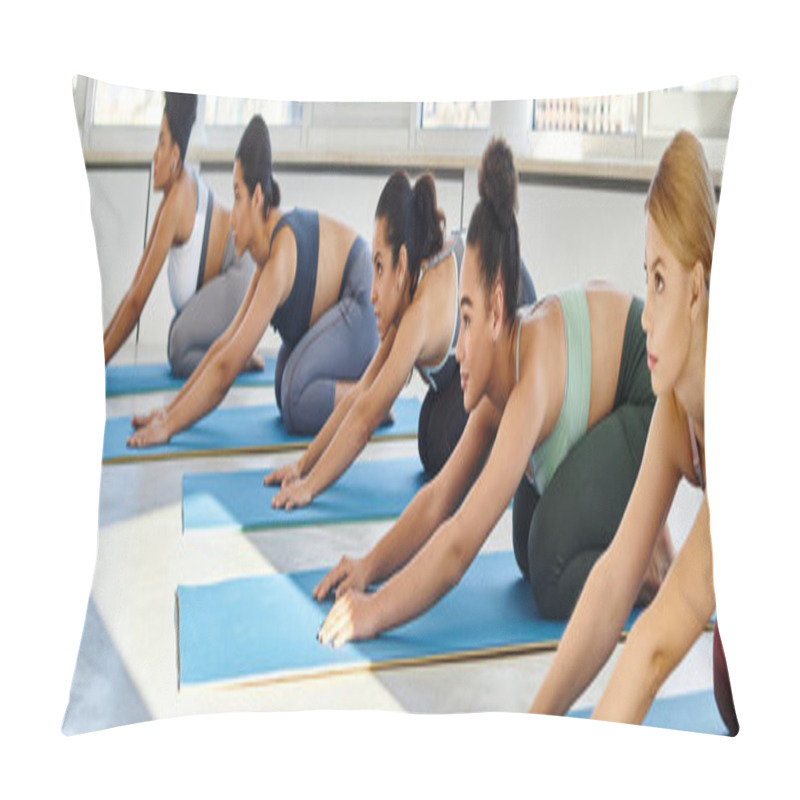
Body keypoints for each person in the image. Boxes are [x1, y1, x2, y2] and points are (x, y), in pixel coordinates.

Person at [312, 138, 673, 648]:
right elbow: (440, 499)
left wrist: (373, 614)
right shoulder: (495, 390)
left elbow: (460, 547)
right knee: (527, 551)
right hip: (602, 383)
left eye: (465, 319)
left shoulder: (527, 387)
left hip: (646, 393)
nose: (457, 347)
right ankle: (629, 524)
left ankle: (650, 566)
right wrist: (369, 567)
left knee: (549, 572)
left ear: (498, 309)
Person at [529, 130, 738, 735]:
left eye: (661, 280)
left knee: (737, 677)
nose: (644, 310)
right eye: (644, 277)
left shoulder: (739, 409)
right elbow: (615, 577)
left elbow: (653, 645)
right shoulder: (675, 408)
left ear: (697, 289)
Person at [265, 170, 536, 507]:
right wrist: (302, 466)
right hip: (468, 358)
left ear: (402, 263)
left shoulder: (419, 313)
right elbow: (362, 394)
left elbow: (366, 419)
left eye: (379, 267)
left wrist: (311, 488)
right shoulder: (410, 290)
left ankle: (517, 441)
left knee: (444, 446)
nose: (373, 292)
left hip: (514, 323)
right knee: (430, 438)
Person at [127, 115, 379, 445]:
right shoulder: (263, 257)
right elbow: (225, 345)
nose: (231, 214)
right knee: (283, 388)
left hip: (362, 302)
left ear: (257, 197)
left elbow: (226, 370)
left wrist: (170, 429)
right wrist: (168, 412)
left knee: (296, 398)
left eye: (237, 195)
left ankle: (373, 401)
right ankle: (358, 393)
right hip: (340, 311)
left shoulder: (279, 257)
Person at [103, 92, 261, 377]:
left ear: (175, 155)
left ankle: (238, 357)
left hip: (239, 271)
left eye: (160, 143)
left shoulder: (177, 202)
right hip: (232, 272)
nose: (155, 154)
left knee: (180, 347)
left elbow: (138, 302)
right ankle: (236, 349)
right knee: (179, 331)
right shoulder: (172, 199)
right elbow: (134, 292)